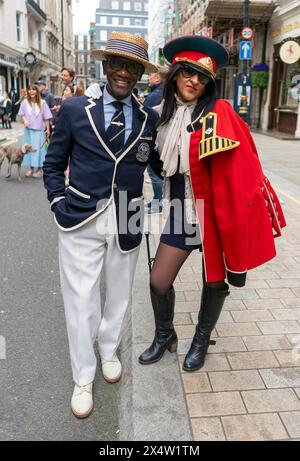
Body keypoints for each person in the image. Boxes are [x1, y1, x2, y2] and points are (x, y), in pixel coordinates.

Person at [139, 35, 286, 373]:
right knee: (158, 280)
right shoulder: (156, 111)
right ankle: (165, 335)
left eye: (202, 77)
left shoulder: (220, 112)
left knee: (214, 280)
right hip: (180, 209)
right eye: (189, 72)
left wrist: (248, 206)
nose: (194, 81)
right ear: (176, 72)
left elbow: (245, 163)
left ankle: (201, 339)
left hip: (214, 213)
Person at [43, 32, 162, 419]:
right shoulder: (76, 109)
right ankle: (83, 375)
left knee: (120, 296)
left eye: (132, 66)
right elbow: (52, 162)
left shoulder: (150, 118)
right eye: (117, 64)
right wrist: (58, 202)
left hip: (127, 217)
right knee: (81, 300)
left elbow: (162, 166)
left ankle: (109, 349)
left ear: (141, 72)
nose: (123, 72)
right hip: (80, 215)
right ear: (105, 65)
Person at [144, 66, 168, 214]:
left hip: (154, 140)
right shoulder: (164, 92)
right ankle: (157, 200)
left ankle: (159, 202)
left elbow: (145, 118)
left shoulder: (155, 96)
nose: (148, 78)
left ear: (158, 78)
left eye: (151, 75)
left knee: (154, 172)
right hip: (161, 140)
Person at [18, 85, 52, 178]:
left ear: (37, 91)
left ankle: (40, 169)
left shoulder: (43, 103)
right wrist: (24, 120)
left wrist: (48, 130)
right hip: (28, 131)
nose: (31, 92)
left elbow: (46, 118)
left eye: (33, 90)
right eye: (29, 90)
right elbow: (22, 114)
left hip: (39, 130)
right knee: (28, 149)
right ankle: (31, 168)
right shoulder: (25, 102)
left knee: (39, 150)